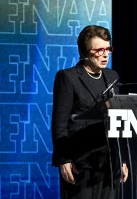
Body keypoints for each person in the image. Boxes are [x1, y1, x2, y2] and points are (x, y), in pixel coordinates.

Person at [51, 25, 128, 199]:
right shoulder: (68, 77)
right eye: (100, 50)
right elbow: (60, 123)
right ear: (86, 52)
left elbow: (118, 119)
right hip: (80, 163)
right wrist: (64, 159)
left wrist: (122, 159)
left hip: (108, 162)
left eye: (108, 49)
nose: (106, 54)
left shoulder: (112, 76)